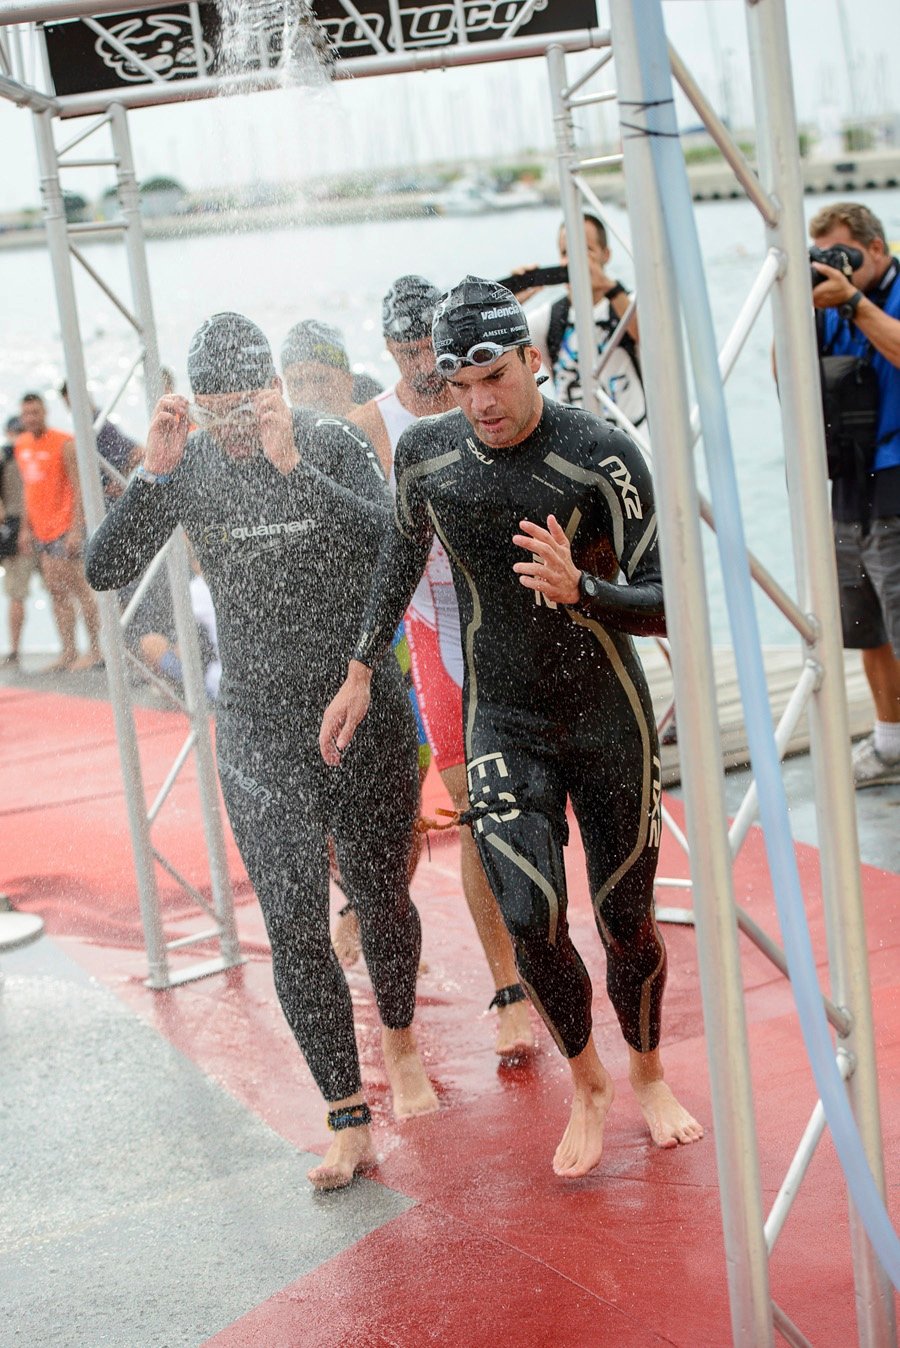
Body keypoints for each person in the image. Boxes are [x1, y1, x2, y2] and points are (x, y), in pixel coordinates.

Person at [321, 278, 703, 1179]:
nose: (480, 403)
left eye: (494, 376)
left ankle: (648, 1074)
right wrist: (362, 666)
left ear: (531, 359)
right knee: (531, 920)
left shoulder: (601, 455)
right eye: (460, 385)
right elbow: (398, 557)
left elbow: (674, 603)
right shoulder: (426, 456)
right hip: (503, 713)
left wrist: (586, 590)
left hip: (607, 716)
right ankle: (589, 1082)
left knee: (626, 920)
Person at [85, 312, 438, 1191]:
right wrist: (151, 476)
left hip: (358, 703)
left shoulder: (327, 442)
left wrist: (291, 468)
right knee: (290, 924)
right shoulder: (190, 464)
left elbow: (397, 542)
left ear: (276, 390)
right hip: (256, 724)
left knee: (379, 894)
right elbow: (104, 569)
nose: (233, 429)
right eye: (216, 413)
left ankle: (399, 1040)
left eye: (245, 408)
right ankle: (346, 1118)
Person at [350, 274, 536, 1059]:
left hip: (514, 620)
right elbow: (371, 541)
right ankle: (508, 988)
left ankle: (545, 951)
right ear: (387, 349)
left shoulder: (483, 399)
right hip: (437, 632)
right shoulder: (371, 425)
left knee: (530, 805)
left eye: (430, 347)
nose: (422, 364)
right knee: (473, 815)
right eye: (405, 351)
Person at [810, 202, 900, 788]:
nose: (832, 265)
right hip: (849, 477)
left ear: (876, 247)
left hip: (897, 472)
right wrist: (797, 307)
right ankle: (891, 741)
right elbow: (788, 379)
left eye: (841, 253)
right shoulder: (827, 307)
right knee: (868, 623)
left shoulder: (875, 299)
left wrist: (855, 303)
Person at [514, 211, 647, 433]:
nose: (573, 261)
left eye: (585, 250)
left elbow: (646, 337)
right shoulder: (548, 319)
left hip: (633, 439)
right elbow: (502, 355)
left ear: (606, 255)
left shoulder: (629, 305)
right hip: (576, 443)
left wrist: (608, 286)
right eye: (566, 253)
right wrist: (510, 300)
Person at [14, 392, 103, 672]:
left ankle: (96, 650)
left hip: (66, 530)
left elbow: (79, 487)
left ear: (45, 412)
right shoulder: (21, 444)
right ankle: (68, 651)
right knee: (56, 593)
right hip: (42, 532)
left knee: (82, 591)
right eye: (26, 414)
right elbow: (28, 489)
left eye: (35, 412)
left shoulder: (64, 443)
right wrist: (25, 529)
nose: (30, 418)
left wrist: (76, 529)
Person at [60, 379, 144, 502]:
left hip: (111, 500)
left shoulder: (99, 427)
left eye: (73, 403)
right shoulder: (88, 427)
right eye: (69, 405)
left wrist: (117, 480)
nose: (72, 409)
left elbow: (139, 452)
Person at [281, 319, 383, 417]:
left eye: (320, 379)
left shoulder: (377, 424)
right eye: (297, 383)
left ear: (347, 381)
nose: (310, 395)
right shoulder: (283, 427)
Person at [1, 416, 33, 665]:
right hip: (15, 531)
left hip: (43, 528)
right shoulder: (7, 457)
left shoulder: (31, 454)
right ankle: (14, 650)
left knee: (62, 589)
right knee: (16, 593)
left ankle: (74, 650)